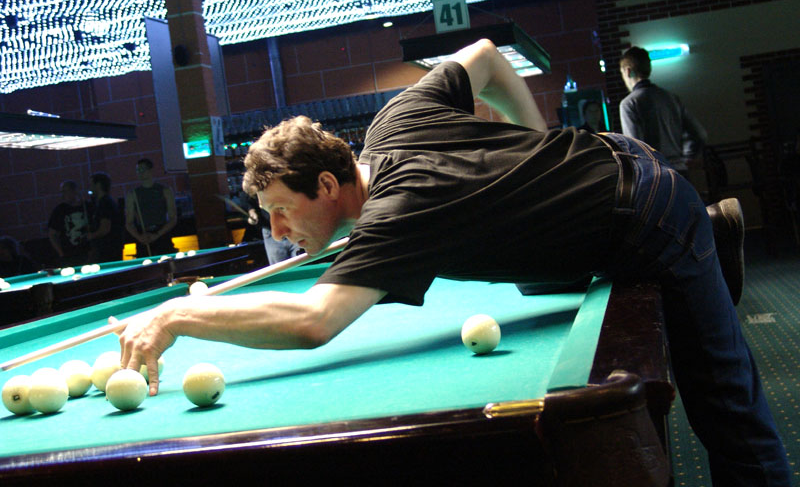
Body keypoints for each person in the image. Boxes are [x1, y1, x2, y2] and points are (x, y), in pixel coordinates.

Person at [118, 40, 790, 486]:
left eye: (282, 210)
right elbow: (490, 59)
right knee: (530, 274)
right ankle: (710, 235)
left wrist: (180, 315)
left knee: (724, 403)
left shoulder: (394, 217)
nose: (279, 230)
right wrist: (537, 146)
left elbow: (313, 321)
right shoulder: (391, 122)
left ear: (326, 185)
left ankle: (703, 237)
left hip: (647, 213)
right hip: (611, 161)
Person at [619, 46, 708, 177]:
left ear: (627, 71)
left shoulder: (629, 104)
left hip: (655, 175)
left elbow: (635, 147)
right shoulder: (670, 97)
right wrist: (688, 157)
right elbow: (700, 133)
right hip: (680, 172)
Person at [124, 159, 177, 258]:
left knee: (167, 263)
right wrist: (139, 237)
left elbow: (173, 219)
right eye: (138, 170)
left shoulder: (165, 190)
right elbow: (129, 223)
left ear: (151, 170)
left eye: (142, 169)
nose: (140, 172)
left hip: (162, 235)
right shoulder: (132, 194)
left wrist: (157, 234)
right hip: (143, 235)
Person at [47, 180, 89, 267]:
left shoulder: (88, 207)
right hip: (69, 256)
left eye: (65, 191)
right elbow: (52, 234)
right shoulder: (60, 210)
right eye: (62, 192)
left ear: (74, 191)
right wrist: (61, 253)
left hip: (88, 253)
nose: (63, 195)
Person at [87, 172, 124, 263]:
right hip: (110, 249)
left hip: (107, 250)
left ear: (98, 185)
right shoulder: (106, 201)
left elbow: (105, 229)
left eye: (91, 184)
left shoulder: (104, 203)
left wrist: (91, 236)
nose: (90, 188)